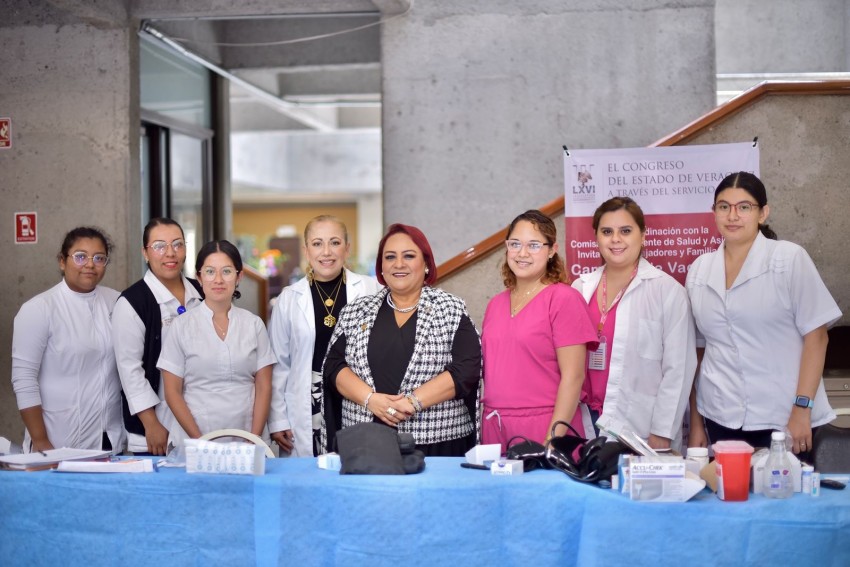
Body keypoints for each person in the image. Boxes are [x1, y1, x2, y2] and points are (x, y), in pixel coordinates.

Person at [687, 172, 841, 455]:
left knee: (787, 484)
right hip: (720, 415)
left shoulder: (788, 258)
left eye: (744, 207)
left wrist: (802, 408)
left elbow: (817, 337)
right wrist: (696, 422)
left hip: (784, 417)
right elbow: (698, 351)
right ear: (714, 212)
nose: (733, 216)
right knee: (727, 485)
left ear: (762, 213)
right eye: (724, 206)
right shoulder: (699, 269)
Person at [323, 224, 481, 456]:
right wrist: (370, 399)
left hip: (437, 443)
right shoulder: (356, 311)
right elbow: (334, 366)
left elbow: (467, 368)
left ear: (426, 264)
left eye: (409, 256)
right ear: (381, 266)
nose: (398, 264)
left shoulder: (450, 308)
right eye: (390, 257)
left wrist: (411, 402)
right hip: (366, 442)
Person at [571, 197, 697, 450]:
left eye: (626, 231)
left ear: (643, 235)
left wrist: (662, 432)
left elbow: (679, 369)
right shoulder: (579, 289)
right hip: (584, 419)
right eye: (607, 232)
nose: (616, 239)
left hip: (640, 427)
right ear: (596, 237)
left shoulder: (667, 291)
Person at [481, 210, 598, 453]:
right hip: (496, 426)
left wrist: (552, 441)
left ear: (552, 250)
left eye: (534, 245)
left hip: (548, 426)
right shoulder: (495, 304)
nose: (522, 253)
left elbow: (574, 377)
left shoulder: (564, 299)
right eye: (515, 244)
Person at [268, 215, 381, 456]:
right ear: (306, 250)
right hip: (307, 401)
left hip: (357, 397)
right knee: (309, 472)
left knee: (357, 463)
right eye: (317, 243)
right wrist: (277, 419)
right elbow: (279, 364)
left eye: (335, 242)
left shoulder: (371, 289)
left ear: (347, 248)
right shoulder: (288, 299)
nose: (326, 252)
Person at [11, 227, 125, 453]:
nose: (90, 264)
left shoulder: (117, 301)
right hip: (56, 438)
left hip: (108, 437)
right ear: (62, 261)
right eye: (80, 256)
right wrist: (40, 440)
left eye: (99, 258)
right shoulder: (39, 309)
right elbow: (24, 380)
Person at [158, 240, 275, 447]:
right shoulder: (182, 326)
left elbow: (264, 386)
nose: (218, 280)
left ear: (239, 277)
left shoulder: (254, 324)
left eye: (227, 271)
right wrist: (200, 443)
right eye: (210, 271)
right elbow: (172, 392)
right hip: (194, 440)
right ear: (199, 277)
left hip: (247, 436)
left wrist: (253, 439)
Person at [112, 218, 204, 455]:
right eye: (159, 246)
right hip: (160, 428)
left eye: (177, 244)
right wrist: (151, 423)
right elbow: (130, 370)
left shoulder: (202, 291)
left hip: (204, 421)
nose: (170, 253)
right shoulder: (132, 302)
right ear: (145, 253)